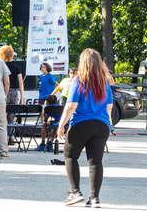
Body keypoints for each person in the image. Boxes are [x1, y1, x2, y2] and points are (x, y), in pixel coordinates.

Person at [57, 48, 112, 207]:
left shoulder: (78, 80)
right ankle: (95, 198)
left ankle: (75, 192)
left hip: (81, 123)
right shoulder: (105, 81)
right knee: (95, 162)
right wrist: (108, 125)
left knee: (70, 156)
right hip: (101, 124)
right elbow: (109, 107)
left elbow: (70, 105)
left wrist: (62, 124)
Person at [35, 62, 59, 151]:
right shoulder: (41, 76)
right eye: (41, 67)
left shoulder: (50, 76)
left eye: (44, 67)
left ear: (47, 68)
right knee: (40, 107)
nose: (42, 69)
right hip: (42, 93)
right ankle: (42, 119)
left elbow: (56, 84)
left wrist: (54, 93)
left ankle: (49, 141)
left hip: (49, 93)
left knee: (51, 109)